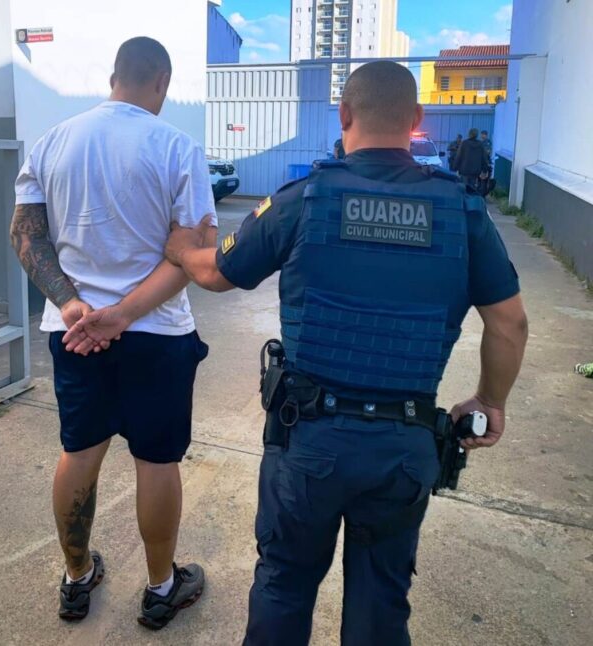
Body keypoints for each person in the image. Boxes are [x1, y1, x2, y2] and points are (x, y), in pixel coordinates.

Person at [159, 61, 528, 644]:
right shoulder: (462, 211)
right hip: (404, 448)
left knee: (283, 588)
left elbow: (216, 273)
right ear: (417, 118)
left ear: (345, 114)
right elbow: (510, 324)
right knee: (381, 606)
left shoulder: (304, 199)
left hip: (309, 442)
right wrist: (490, 400)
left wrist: (181, 248)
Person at [10, 37, 215, 628]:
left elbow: (26, 236)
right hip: (158, 332)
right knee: (157, 461)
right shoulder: (177, 147)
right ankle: (160, 588)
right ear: (162, 82)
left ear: (113, 77)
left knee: (78, 452)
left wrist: (72, 303)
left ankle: (77, 579)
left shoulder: (52, 142)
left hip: (75, 332)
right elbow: (192, 256)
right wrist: (124, 314)